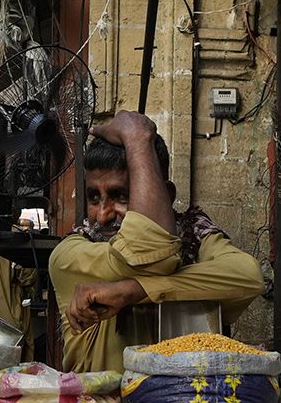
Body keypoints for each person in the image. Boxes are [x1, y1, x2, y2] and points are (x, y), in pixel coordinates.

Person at [47, 111, 265, 374]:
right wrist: (137, 137)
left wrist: (134, 290)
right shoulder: (70, 254)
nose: (103, 215)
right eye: (94, 198)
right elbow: (149, 251)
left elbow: (249, 276)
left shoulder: (193, 233)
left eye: (121, 196)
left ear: (165, 195)